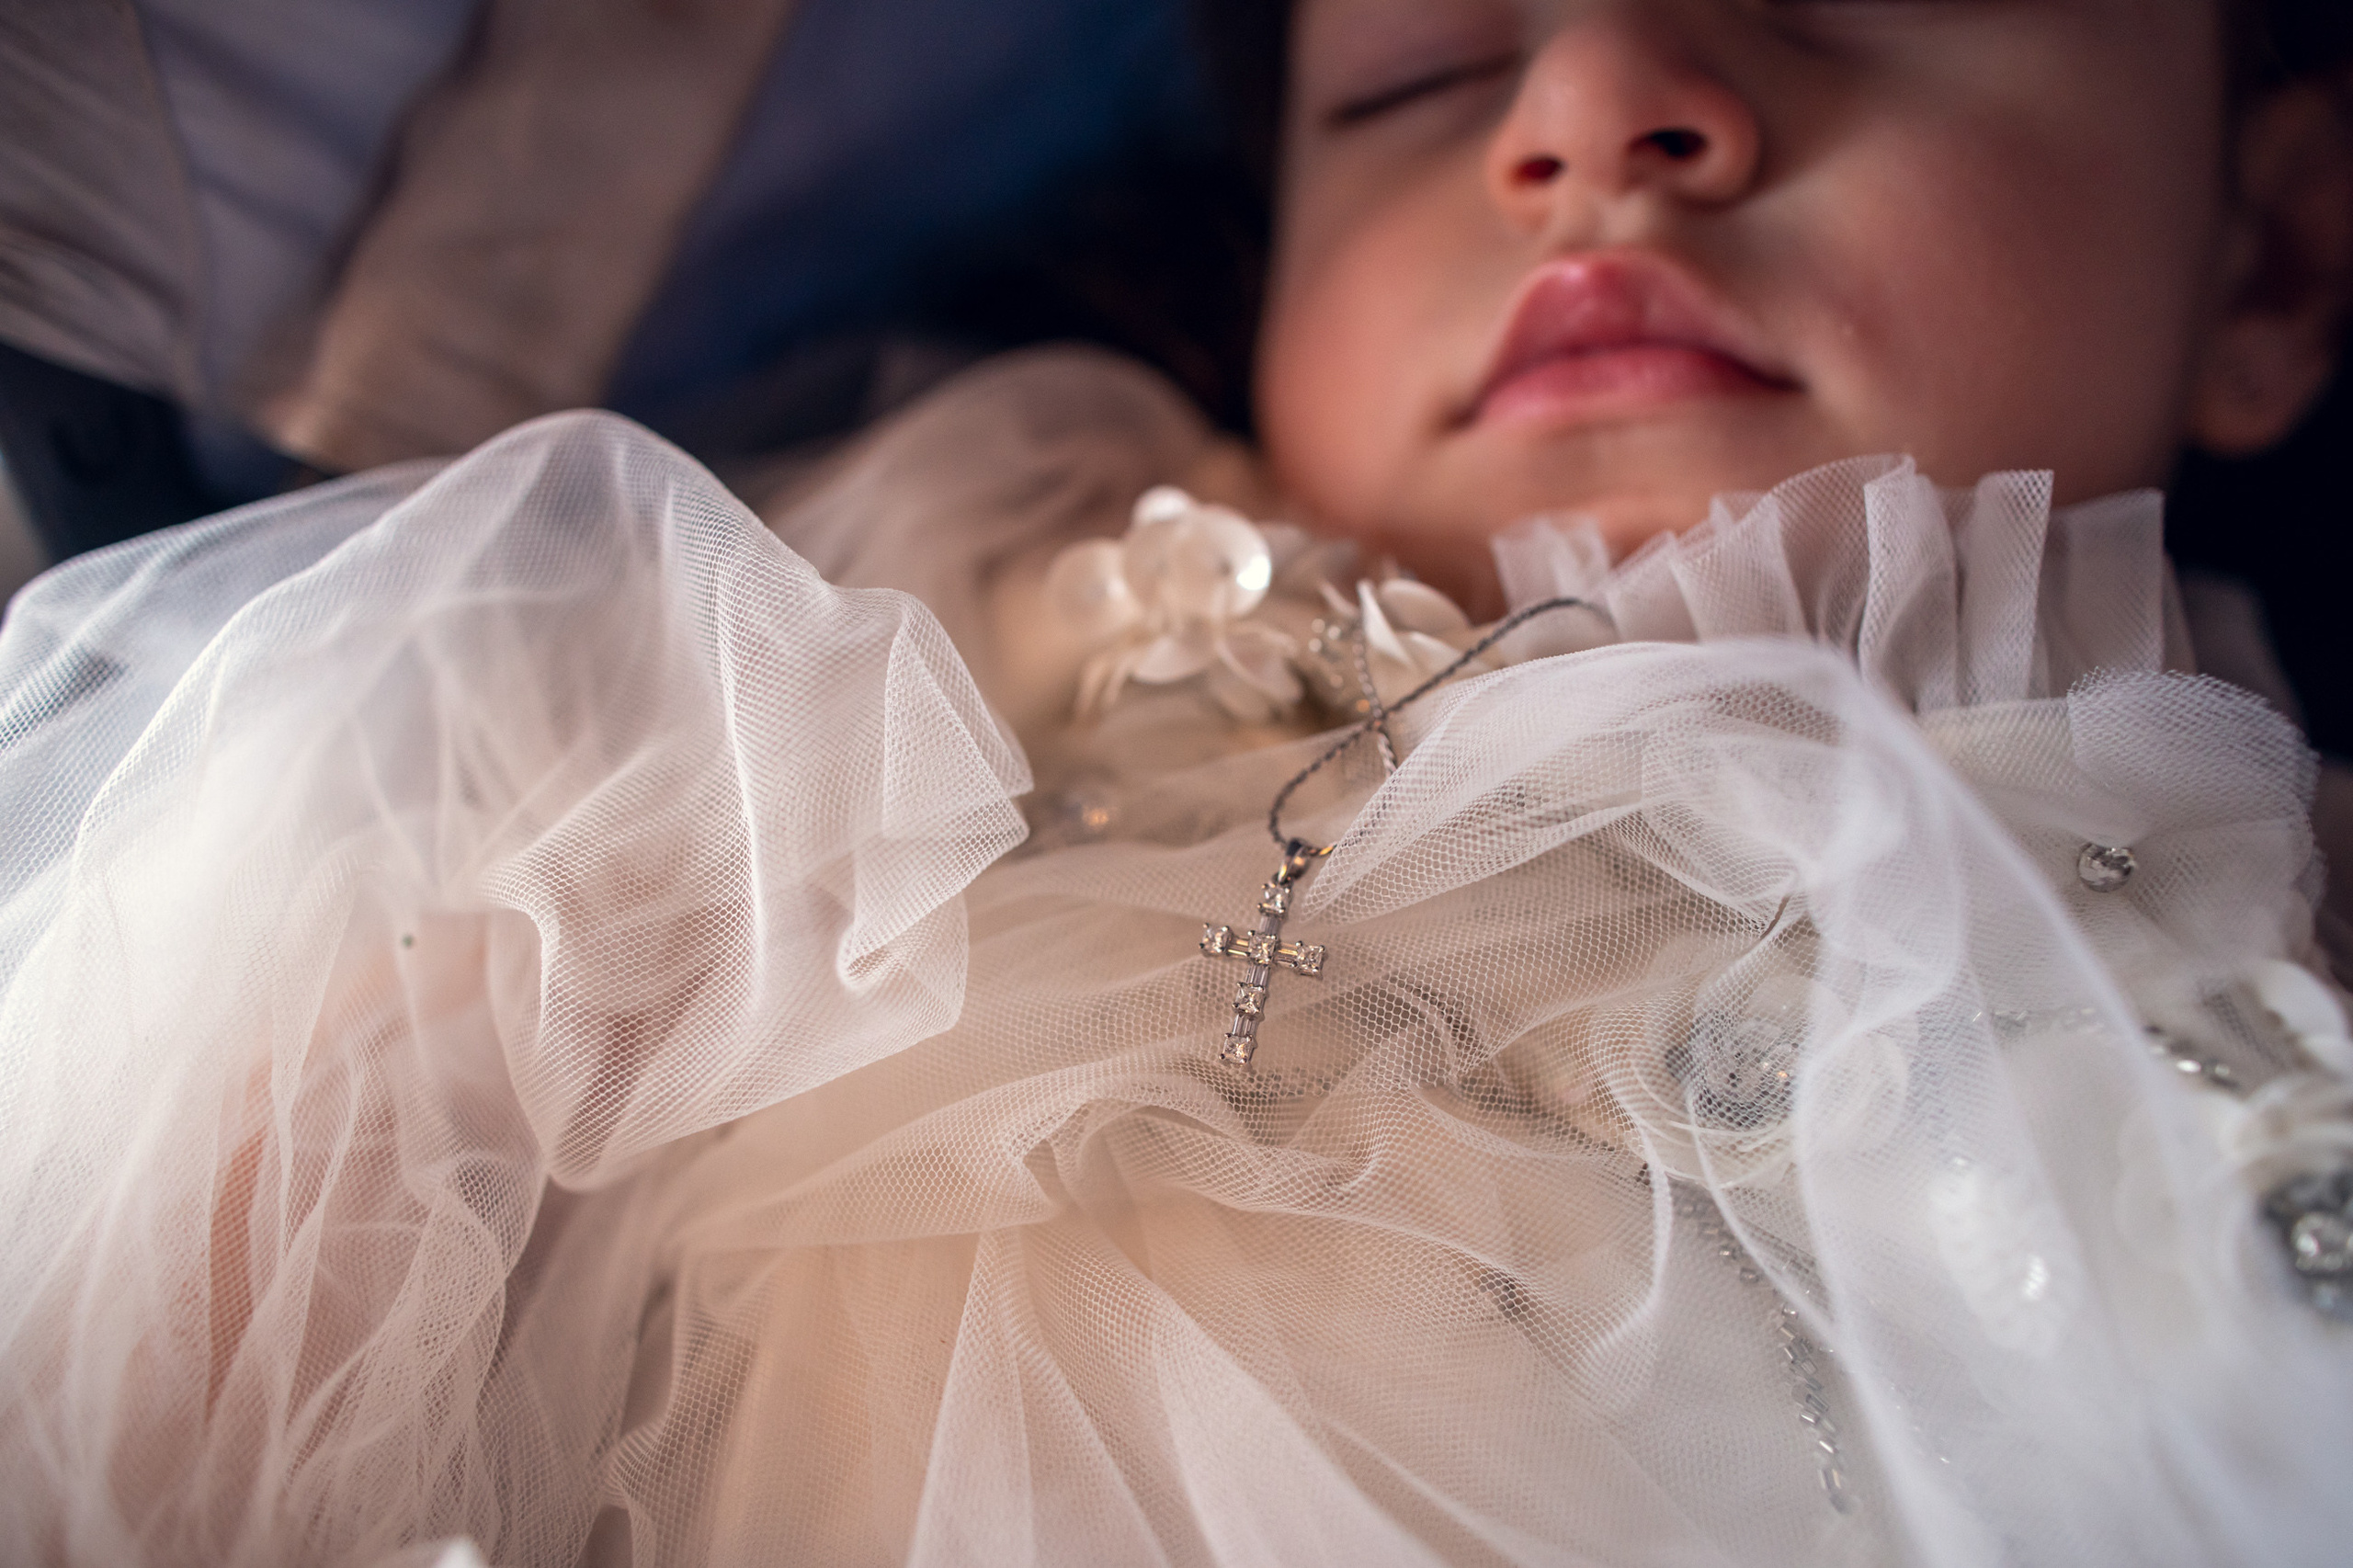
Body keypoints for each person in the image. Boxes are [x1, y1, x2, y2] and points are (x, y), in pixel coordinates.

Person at [2, 2, 2349, 1563]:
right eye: (1420, 72)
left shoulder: (2296, 911)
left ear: (2268, 253)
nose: (1596, 98)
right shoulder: (932, 632)